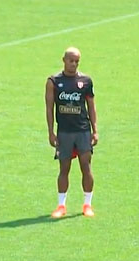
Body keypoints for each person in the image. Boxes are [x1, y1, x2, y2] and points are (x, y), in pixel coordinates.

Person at [45, 47, 98, 218]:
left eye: (77, 61)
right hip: (64, 132)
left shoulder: (86, 81)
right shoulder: (53, 81)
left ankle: (87, 204)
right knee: (64, 168)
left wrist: (95, 130)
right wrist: (51, 132)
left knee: (86, 166)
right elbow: (49, 108)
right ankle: (61, 206)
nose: (74, 64)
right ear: (64, 60)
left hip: (82, 130)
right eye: (71, 60)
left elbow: (91, 107)